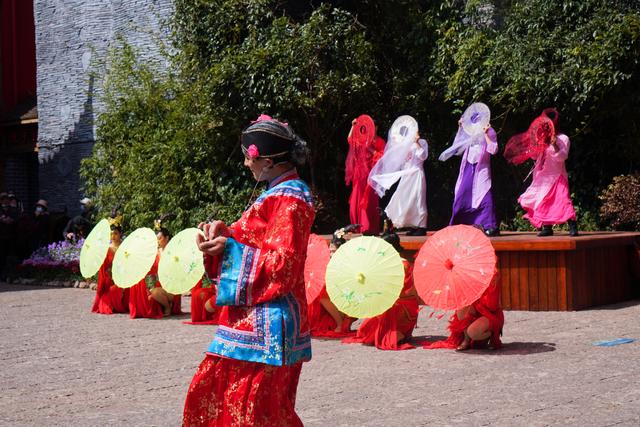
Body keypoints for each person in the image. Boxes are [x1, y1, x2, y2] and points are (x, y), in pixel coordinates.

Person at [183, 116, 314, 426]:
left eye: (249, 157)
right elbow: (251, 240)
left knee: (254, 413)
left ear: (268, 161)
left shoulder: (291, 200)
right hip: (252, 323)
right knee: (220, 397)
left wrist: (228, 250)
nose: (245, 164)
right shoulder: (276, 195)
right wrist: (223, 234)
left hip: (269, 324)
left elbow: (283, 265)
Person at [505, 108, 578, 236]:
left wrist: (554, 145)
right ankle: (547, 227)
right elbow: (535, 157)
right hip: (543, 176)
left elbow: (562, 157)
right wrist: (536, 144)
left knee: (563, 200)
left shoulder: (563, 138)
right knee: (542, 201)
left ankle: (572, 225)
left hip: (557, 174)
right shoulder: (542, 138)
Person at [342, 232, 420, 350]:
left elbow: (401, 290)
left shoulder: (402, 264)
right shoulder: (383, 262)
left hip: (401, 304)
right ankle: (398, 333)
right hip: (388, 301)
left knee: (382, 337)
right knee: (366, 333)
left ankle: (400, 334)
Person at [440, 103, 500, 236]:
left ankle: (489, 225)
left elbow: (493, 149)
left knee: (484, 194)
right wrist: (461, 128)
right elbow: (457, 147)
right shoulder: (468, 132)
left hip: (481, 168)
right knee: (462, 193)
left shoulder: (489, 130)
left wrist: (485, 134)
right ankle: (459, 224)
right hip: (468, 166)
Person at [368, 116, 428, 236]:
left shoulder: (422, 143)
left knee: (418, 200)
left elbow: (422, 157)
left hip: (416, 175)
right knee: (403, 200)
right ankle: (411, 224)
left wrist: (416, 143)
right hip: (406, 176)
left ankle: (421, 226)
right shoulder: (403, 144)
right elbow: (398, 161)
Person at [422, 272, 503, 351]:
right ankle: (466, 339)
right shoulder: (470, 274)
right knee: (462, 306)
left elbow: (492, 307)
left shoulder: (493, 275)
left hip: (491, 315)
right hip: (478, 309)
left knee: (473, 332)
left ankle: (493, 334)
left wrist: (487, 288)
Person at [307, 225, 358, 338]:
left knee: (323, 293)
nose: (331, 254)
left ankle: (341, 322)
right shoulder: (327, 260)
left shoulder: (348, 262)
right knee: (320, 291)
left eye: (334, 251)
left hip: (346, 291)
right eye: (330, 251)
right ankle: (339, 321)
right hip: (334, 290)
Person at [128, 215, 182, 318]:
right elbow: (150, 269)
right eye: (156, 239)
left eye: (160, 238)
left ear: (167, 238)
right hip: (160, 286)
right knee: (150, 296)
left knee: (154, 292)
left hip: (172, 286)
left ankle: (168, 307)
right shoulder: (157, 253)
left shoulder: (174, 253)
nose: (158, 241)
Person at [345, 115, 386, 235]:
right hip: (359, 175)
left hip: (372, 175)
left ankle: (369, 227)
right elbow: (350, 139)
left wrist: (370, 149)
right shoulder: (362, 139)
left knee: (369, 201)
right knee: (356, 199)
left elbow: (382, 158)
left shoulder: (380, 141)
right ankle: (358, 226)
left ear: (376, 128)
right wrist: (353, 127)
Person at [92, 213, 129, 314]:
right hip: (112, 279)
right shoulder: (107, 249)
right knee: (111, 293)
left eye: (116, 233)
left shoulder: (125, 247)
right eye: (111, 234)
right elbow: (104, 270)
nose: (113, 236)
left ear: (120, 234)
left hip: (126, 277)